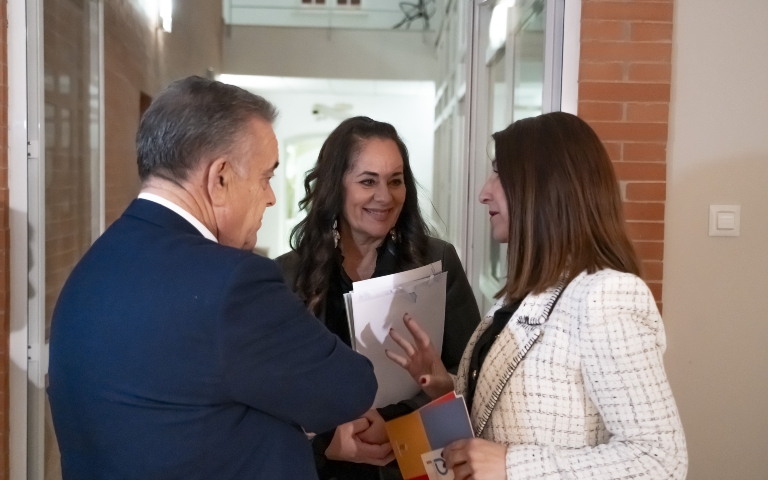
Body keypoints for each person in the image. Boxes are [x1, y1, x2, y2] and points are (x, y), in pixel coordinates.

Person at [47, 76, 379, 480]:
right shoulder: (232, 284)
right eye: (265, 176)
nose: (271, 197)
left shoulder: (90, 269)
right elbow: (349, 388)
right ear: (220, 177)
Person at [387, 112, 688, 480]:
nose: (484, 191)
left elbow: (660, 459)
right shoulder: (522, 297)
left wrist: (513, 465)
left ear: (544, 186)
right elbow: (508, 409)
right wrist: (444, 385)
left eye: (500, 173)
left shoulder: (608, 296)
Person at [275, 116, 481, 479]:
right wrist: (326, 443)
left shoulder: (437, 261)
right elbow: (272, 400)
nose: (385, 197)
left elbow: (470, 378)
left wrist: (396, 420)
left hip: (415, 466)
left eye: (395, 181)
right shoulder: (285, 276)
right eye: (368, 181)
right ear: (334, 187)